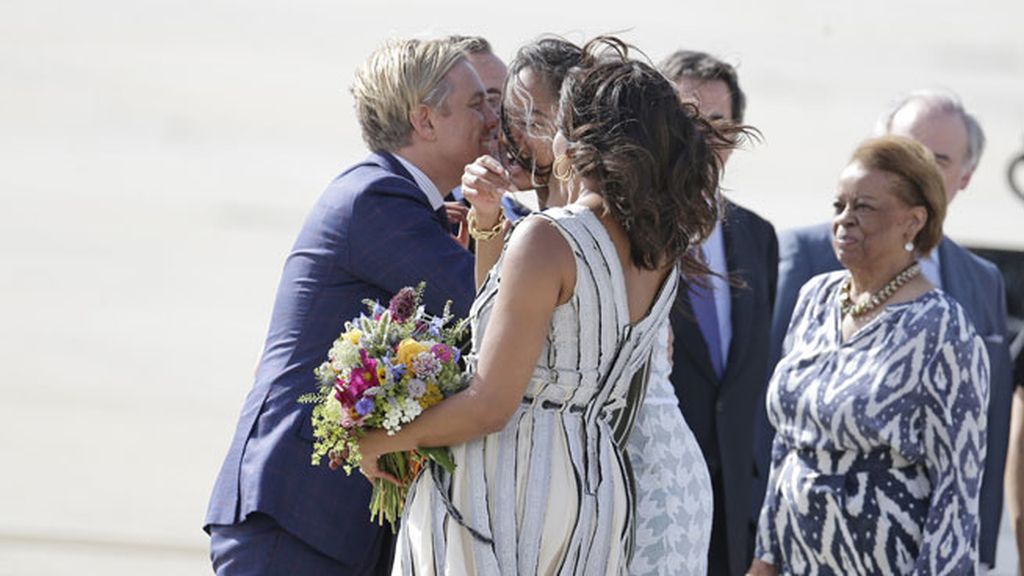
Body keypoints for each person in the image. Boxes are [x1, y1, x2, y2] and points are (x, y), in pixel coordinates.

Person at [355, 38, 728, 574]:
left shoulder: (549, 236)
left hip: (508, 484)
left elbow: (491, 403)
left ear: (577, 138)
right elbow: (512, 328)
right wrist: (489, 226)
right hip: (593, 489)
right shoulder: (661, 250)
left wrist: (381, 438)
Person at [204, 37, 496, 575]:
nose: (494, 121)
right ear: (425, 120)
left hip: (329, 527)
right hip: (298, 516)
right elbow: (488, 308)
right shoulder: (377, 199)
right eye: (478, 104)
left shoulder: (412, 204)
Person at [755, 90, 1013, 571]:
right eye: (840, 204)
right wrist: (764, 560)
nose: (844, 219)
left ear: (912, 222)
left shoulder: (942, 326)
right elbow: (784, 445)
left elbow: (957, 487)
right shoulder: (815, 299)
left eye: (866, 207)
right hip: (797, 559)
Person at [657, 49, 778, 575]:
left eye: (720, 123)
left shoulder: (757, 236)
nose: (705, 137)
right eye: (689, 120)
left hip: (732, 516)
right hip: (654, 499)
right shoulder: (633, 229)